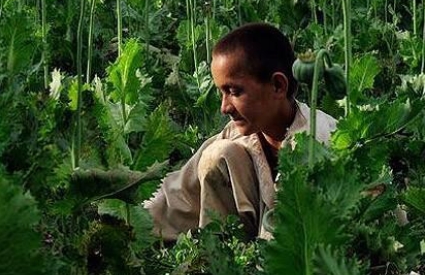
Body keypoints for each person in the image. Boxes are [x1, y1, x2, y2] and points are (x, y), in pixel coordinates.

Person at [144, 23, 337, 240]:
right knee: (217, 156)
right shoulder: (240, 132)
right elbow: (179, 196)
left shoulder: (320, 143)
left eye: (234, 91)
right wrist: (131, 223)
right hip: (246, 255)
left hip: (303, 259)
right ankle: (218, 257)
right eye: (221, 93)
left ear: (277, 86)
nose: (224, 107)